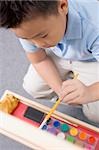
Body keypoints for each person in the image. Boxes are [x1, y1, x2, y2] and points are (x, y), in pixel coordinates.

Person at [0, 0, 99, 123]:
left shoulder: (95, 27)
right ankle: (77, 90)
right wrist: (61, 91)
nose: (38, 44)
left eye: (43, 35)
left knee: (95, 114)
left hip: (92, 60)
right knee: (33, 87)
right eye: (27, 39)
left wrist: (89, 92)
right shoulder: (26, 25)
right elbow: (39, 61)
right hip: (61, 50)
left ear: (62, 6)